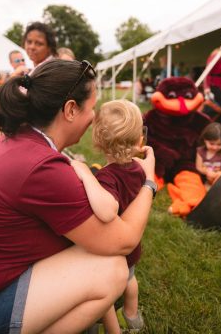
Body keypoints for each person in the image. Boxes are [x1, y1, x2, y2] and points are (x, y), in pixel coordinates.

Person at [0, 59, 156, 333]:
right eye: (92, 108)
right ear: (70, 109)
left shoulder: (20, 140)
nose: (94, 118)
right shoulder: (42, 168)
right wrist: (148, 182)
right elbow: (122, 242)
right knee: (111, 270)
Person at [72, 100, 150, 333]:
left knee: (105, 294)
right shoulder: (139, 168)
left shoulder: (106, 178)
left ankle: (111, 327)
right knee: (130, 281)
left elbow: (106, 211)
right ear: (139, 139)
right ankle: (133, 316)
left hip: (113, 250)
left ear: (98, 140)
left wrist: (86, 175)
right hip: (132, 244)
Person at [0, 22, 57, 147]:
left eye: (39, 43)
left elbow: (31, 108)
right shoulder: (36, 68)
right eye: (29, 41)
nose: (32, 47)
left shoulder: (46, 70)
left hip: (38, 132)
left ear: (49, 47)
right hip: (28, 126)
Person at [196, 122, 221, 189]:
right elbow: (199, 167)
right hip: (207, 180)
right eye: (212, 144)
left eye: (219, 144)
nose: (215, 147)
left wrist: (218, 174)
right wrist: (207, 172)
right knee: (206, 192)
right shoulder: (200, 151)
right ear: (205, 140)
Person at [203, 44, 221, 124]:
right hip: (214, 84)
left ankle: (219, 127)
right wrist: (206, 87)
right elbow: (207, 71)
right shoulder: (217, 55)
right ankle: (209, 122)